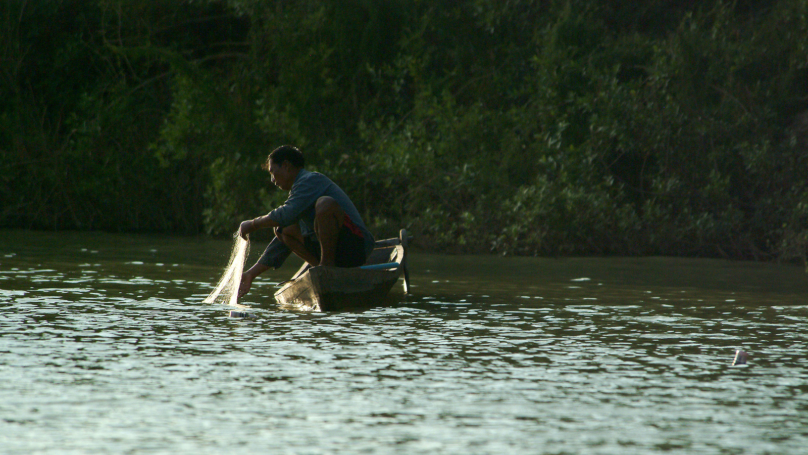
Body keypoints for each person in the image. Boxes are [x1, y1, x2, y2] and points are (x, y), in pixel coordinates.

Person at [237, 145, 375, 298]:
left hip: (356, 247)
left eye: (272, 171)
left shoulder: (310, 180)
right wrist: (251, 274)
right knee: (282, 229)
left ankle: (326, 267)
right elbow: (280, 240)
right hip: (337, 254)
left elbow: (285, 214)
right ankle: (321, 271)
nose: (272, 179)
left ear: (286, 166)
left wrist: (253, 224)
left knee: (325, 204)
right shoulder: (298, 194)